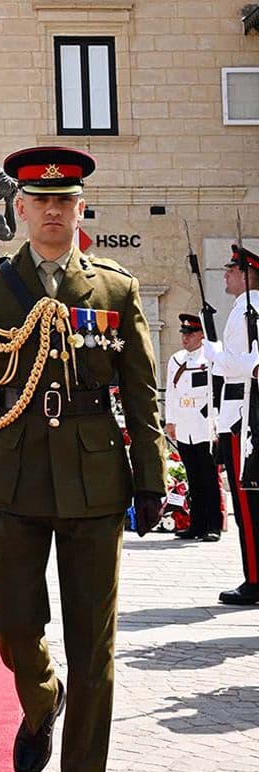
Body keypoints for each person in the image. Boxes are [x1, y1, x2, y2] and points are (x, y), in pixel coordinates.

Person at [0, 147, 164, 772]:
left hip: (96, 482)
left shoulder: (114, 289)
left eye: (65, 201)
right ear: (18, 209)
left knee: (93, 644)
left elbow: (141, 393)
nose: (52, 211)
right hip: (14, 476)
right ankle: (42, 698)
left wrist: (153, 477)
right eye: (39, 201)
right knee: (10, 618)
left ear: (79, 210)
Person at [215, 247, 259, 605]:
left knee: (248, 505)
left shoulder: (249, 309)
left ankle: (255, 579)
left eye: (231, 269)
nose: (226, 274)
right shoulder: (243, 309)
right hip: (239, 411)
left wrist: (215, 356)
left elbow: (250, 363)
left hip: (243, 414)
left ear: (247, 273)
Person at [165, 313, 221, 543]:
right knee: (193, 478)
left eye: (190, 334)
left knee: (208, 478)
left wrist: (217, 423)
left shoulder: (211, 357)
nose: (185, 338)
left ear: (201, 335)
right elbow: (171, 392)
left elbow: (218, 391)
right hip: (185, 424)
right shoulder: (176, 360)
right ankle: (195, 524)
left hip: (204, 425)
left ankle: (213, 525)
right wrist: (170, 421)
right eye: (183, 334)